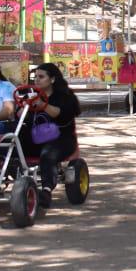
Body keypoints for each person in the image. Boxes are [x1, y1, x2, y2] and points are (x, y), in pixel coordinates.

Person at [16, 62, 82, 200]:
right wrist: (23, 108)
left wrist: (43, 105)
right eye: (35, 77)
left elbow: (62, 115)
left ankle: (46, 191)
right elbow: (20, 116)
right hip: (35, 139)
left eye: (41, 77)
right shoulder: (30, 95)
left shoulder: (65, 96)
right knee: (10, 145)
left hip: (61, 139)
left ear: (52, 79)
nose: (37, 80)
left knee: (47, 155)